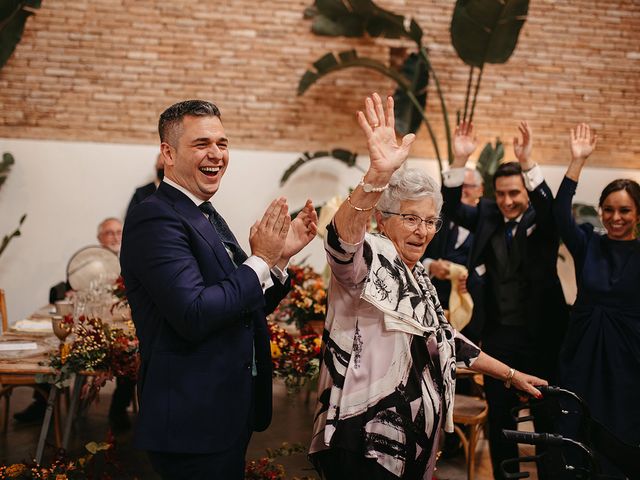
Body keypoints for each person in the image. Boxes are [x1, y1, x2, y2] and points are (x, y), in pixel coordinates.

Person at [309, 93, 546, 480]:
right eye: (411, 218)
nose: (423, 231)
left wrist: (509, 374)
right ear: (383, 220)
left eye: (431, 221)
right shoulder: (369, 259)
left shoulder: (417, 273)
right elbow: (340, 240)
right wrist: (377, 176)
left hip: (410, 444)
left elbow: (446, 337)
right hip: (363, 442)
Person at [120, 99, 317, 480]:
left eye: (223, 144)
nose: (216, 154)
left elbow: (242, 305)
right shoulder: (155, 216)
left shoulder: (204, 212)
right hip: (191, 417)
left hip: (224, 410)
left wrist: (278, 261)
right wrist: (259, 259)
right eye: (201, 144)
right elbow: (194, 313)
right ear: (168, 153)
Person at [442, 121, 569, 480]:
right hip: (498, 337)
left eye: (514, 193)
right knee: (500, 419)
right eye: (500, 194)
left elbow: (551, 206)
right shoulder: (486, 215)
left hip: (542, 337)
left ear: (526, 191)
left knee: (546, 420)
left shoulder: (543, 221)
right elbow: (450, 207)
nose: (507, 201)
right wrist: (460, 157)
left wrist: (528, 163)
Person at [553, 124, 640, 475]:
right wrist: (577, 162)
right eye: (608, 209)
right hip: (583, 350)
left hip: (629, 357)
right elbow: (560, 213)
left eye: (624, 211)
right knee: (576, 423)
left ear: (637, 214)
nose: (615, 218)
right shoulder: (588, 242)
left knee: (622, 425)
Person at [16, 217, 125, 424]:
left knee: (129, 354)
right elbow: (67, 290)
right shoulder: (85, 263)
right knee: (58, 349)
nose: (115, 237)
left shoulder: (134, 260)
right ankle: (41, 405)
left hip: (118, 326)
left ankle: (119, 409)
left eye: (119, 232)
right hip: (88, 328)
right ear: (99, 237)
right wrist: (71, 293)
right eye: (109, 233)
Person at [422, 166, 484, 343]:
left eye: (467, 186)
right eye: (459, 186)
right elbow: (417, 253)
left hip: (471, 312)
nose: (461, 191)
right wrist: (431, 265)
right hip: (433, 308)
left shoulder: (487, 222)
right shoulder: (438, 219)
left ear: (480, 189)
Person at [126, 153, 164, 218]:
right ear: (156, 167)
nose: (163, 169)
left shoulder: (177, 191)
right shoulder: (141, 192)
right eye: (161, 166)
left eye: (165, 166)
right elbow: (131, 216)